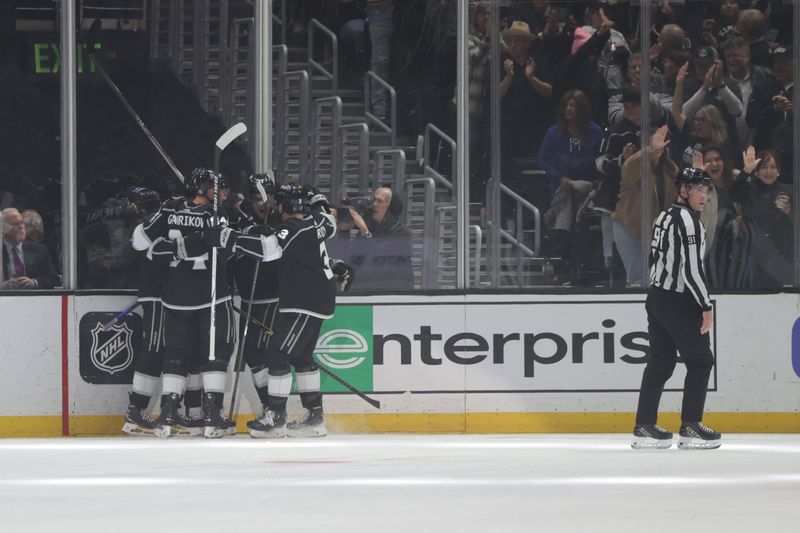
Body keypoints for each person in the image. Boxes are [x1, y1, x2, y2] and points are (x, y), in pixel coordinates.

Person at [132, 168, 236, 439]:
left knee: (174, 358)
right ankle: (212, 416)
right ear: (203, 189)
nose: (222, 194)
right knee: (214, 355)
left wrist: (165, 248)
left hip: (175, 297)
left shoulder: (169, 209)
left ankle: (167, 415)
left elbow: (139, 242)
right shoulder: (216, 214)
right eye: (217, 189)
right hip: (210, 297)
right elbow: (224, 246)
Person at [632, 167, 721, 451]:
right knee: (701, 361)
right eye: (698, 189)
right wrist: (706, 306)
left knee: (660, 362)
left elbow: (653, 257)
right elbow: (692, 270)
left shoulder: (664, 215)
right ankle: (691, 426)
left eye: (706, 189)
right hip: (679, 301)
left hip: (657, 297)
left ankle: (644, 426)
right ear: (683, 190)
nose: (704, 195)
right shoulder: (689, 222)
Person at [242, 183, 338, 438]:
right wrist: (318, 199)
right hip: (318, 298)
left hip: (304, 300)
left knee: (276, 353)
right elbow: (331, 219)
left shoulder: (292, 228)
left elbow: (268, 251)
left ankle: (275, 417)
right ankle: (315, 417)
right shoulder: (318, 221)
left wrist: (232, 237)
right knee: (302, 357)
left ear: (282, 206)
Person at [611, 125, 677, 288]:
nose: (659, 147)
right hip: (629, 227)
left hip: (655, 231)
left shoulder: (671, 170)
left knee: (655, 280)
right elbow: (627, 170)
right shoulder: (635, 164)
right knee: (637, 280)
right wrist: (649, 151)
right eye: (655, 142)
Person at [1, 207, 60, 289]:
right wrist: (2, 286)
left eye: (22, 223)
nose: (21, 227)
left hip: (33, 300)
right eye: (15, 224)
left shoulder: (39, 250)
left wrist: (34, 282)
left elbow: (54, 279)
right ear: (3, 229)